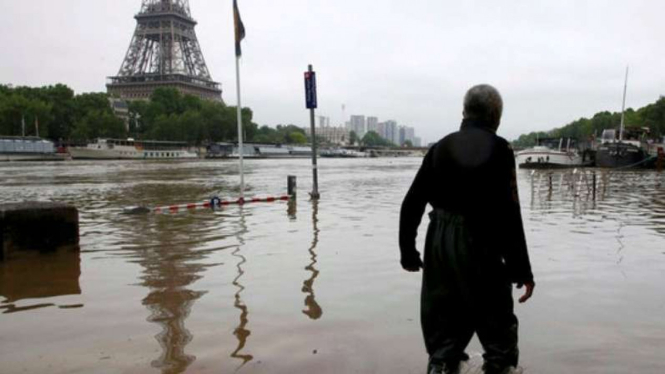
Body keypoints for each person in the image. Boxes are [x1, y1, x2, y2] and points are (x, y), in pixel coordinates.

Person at [399, 84, 535, 374]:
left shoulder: (439, 148)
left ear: (464, 112)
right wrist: (521, 270)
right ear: (496, 115)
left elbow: (412, 203)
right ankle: (498, 367)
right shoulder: (500, 149)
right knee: (497, 324)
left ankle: (441, 365)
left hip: (439, 242)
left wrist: (407, 251)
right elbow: (510, 214)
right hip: (480, 239)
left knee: (445, 324)